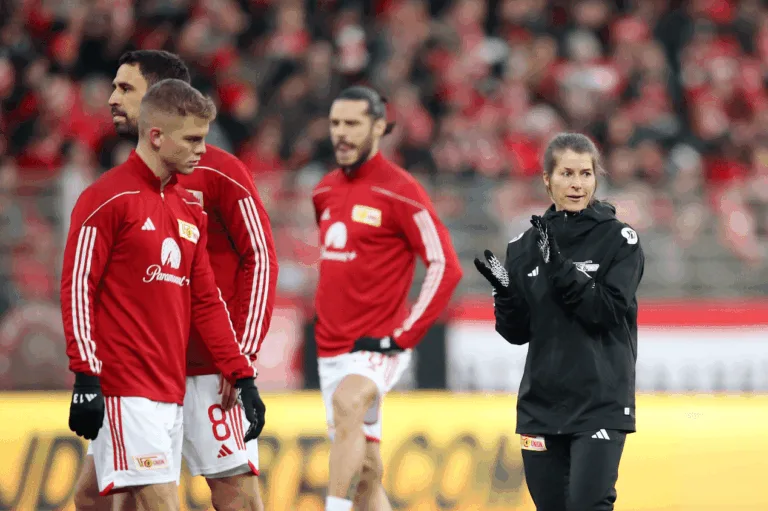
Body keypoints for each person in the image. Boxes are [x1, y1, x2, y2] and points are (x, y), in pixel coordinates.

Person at [73, 50, 277, 511]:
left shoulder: (220, 171)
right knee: (98, 497)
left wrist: (240, 357)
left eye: (126, 88)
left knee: (235, 492)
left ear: (164, 97)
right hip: (140, 368)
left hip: (208, 369)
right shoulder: (125, 185)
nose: (112, 99)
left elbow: (260, 259)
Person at [474, 132, 645, 511]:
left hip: (599, 402)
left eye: (585, 173)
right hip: (541, 407)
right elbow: (517, 333)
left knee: (588, 505)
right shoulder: (523, 247)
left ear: (596, 179)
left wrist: (560, 267)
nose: (577, 183)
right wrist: (504, 293)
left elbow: (606, 312)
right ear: (547, 180)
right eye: (567, 173)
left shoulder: (620, 240)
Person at [312, 85, 463, 511]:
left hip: (377, 344)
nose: (341, 133)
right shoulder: (323, 191)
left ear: (378, 127)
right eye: (335, 124)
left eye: (352, 124)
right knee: (366, 472)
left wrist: (403, 336)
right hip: (331, 347)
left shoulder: (401, 190)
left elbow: (445, 265)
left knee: (348, 401)